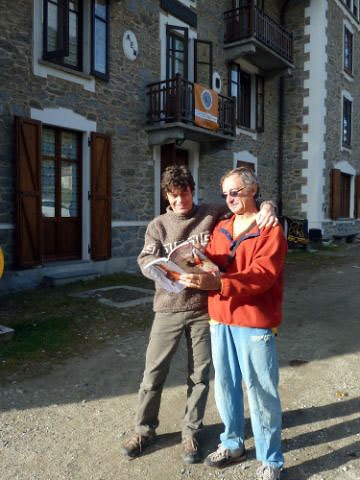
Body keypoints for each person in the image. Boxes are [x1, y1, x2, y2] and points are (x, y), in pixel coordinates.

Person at [122, 165, 278, 464]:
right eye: (174, 195)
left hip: (203, 311)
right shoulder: (158, 225)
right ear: (166, 196)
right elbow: (145, 257)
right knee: (154, 372)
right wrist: (153, 268)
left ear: (193, 191)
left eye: (186, 193)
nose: (181, 200)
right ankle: (144, 430)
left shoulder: (212, 213)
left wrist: (269, 205)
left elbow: (244, 204)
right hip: (167, 308)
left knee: (200, 376)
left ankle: (190, 432)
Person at [179, 167, 287, 479]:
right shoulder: (222, 226)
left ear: (253, 190)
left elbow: (262, 276)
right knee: (225, 385)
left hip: (253, 320)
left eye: (235, 192)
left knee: (260, 390)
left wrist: (221, 284)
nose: (229, 198)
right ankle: (233, 441)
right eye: (225, 193)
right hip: (220, 317)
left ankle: (271, 460)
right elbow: (212, 263)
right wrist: (191, 263)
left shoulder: (271, 230)